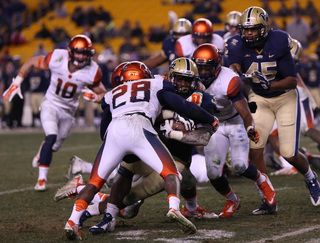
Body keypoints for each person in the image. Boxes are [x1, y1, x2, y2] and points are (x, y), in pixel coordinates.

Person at [63, 61, 219, 240]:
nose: (183, 84)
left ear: (195, 81)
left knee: (128, 205)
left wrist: (174, 133)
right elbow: (181, 107)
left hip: (172, 154)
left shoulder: (201, 98)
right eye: (179, 79)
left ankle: (81, 213)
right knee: (127, 172)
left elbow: (203, 137)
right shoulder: (159, 86)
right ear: (170, 77)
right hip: (144, 142)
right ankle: (112, 216)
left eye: (187, 80)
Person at [226, 6, 320, 210]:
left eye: (254, 29)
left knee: (288, 153)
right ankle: (268, 198)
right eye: (246, 29)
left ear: (265, 28)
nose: (248, 33)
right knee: (255, 151)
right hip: (259, 99)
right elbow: (234, 65)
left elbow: (291, 81)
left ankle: (310, 177)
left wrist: (269, 84)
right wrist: (236, 71)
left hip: (285, 98)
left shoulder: (278, 41)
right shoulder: (236, 44)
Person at [3, 35, 108, 191]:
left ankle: (42, 149)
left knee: (56, 145)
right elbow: (32, 62)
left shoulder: (92, 71)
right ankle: (41, 180)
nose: (80, 57)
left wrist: (96, 97)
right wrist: (17, 81)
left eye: (84, 53)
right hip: (51, 103)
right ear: (70, 52)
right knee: (51, 136)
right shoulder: (57, 58)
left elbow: (105, 95)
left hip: (69, 110)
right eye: (78, 52)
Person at [192, 43, 276, 216]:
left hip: (234, 121)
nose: (203, 72)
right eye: (199, 67)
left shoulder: (228, 80)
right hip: (214, 124)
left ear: (216, 65)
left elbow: (245, 112)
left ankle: (264, 183)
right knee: (213, 173)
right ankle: (232, 200)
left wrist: (250, 127)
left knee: (240, 165)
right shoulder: (191, 77)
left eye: (207, 68)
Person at [266, 39, 320, 175]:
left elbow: (293, 79)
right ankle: (294, 160)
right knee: (273, 132)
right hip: (285, 96)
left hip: (296, 95)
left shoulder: (285, 59)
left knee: (308, 129)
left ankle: (291, 163)